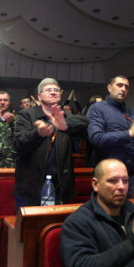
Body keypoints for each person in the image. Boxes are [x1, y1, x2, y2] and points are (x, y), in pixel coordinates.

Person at [13, 78, 88, 209]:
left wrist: (65, 125)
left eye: (56, 90)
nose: (53, 93)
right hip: (32, 187)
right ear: (39, 96)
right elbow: (19, 143)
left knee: (56, 228)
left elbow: (87, 125)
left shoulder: (64, 116)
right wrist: (38, 133)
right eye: (48, 90)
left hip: (61, 187)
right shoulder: (27, 115)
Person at [87, 75, 134, 198]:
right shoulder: (97, 108)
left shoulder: (131, 113)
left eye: (126, 87)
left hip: (130, 174)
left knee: (126, 213)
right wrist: (129, 133)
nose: (123, 89)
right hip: (108, 175)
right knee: (105, 213)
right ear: (109, 87)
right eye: (119, 85)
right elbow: (96, 138)